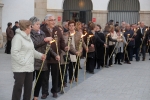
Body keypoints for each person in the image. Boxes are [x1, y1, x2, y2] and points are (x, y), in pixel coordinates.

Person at [11, 20, 46, 100]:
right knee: (18, 88)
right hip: (20, 68)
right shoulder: (17, 38)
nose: (31, 28)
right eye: (30, 26)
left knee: (28, 89)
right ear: (26, 27)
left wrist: (41, 56)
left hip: (29, 67)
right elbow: (14, 53)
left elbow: (32, 51)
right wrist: (23, 62)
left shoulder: (28, 38)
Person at [29, 16, 59, 100]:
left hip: (42, 60)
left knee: (39, 81)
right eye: (37, 24)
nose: (39, 25)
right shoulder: (29, 34)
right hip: (33, 61)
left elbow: (48, 47)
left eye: (39, 24)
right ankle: (27, 95)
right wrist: (45, 40)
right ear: (31, 25)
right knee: (30, 80)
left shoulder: (42, 33)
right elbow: (34, 44)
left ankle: (35, 96)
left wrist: (55, 55)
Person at [41, 14, 68, 98]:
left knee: (55, 75)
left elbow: (61, 41)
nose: (53, 22)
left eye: (54, 20)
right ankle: (45, 92)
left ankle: (54, 90)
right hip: (45, 56)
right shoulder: (42, 30)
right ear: (46, 21)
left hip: (56, 56)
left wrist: (64, 47)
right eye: (51, 20)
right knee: (45, 75)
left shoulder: (57, 29)